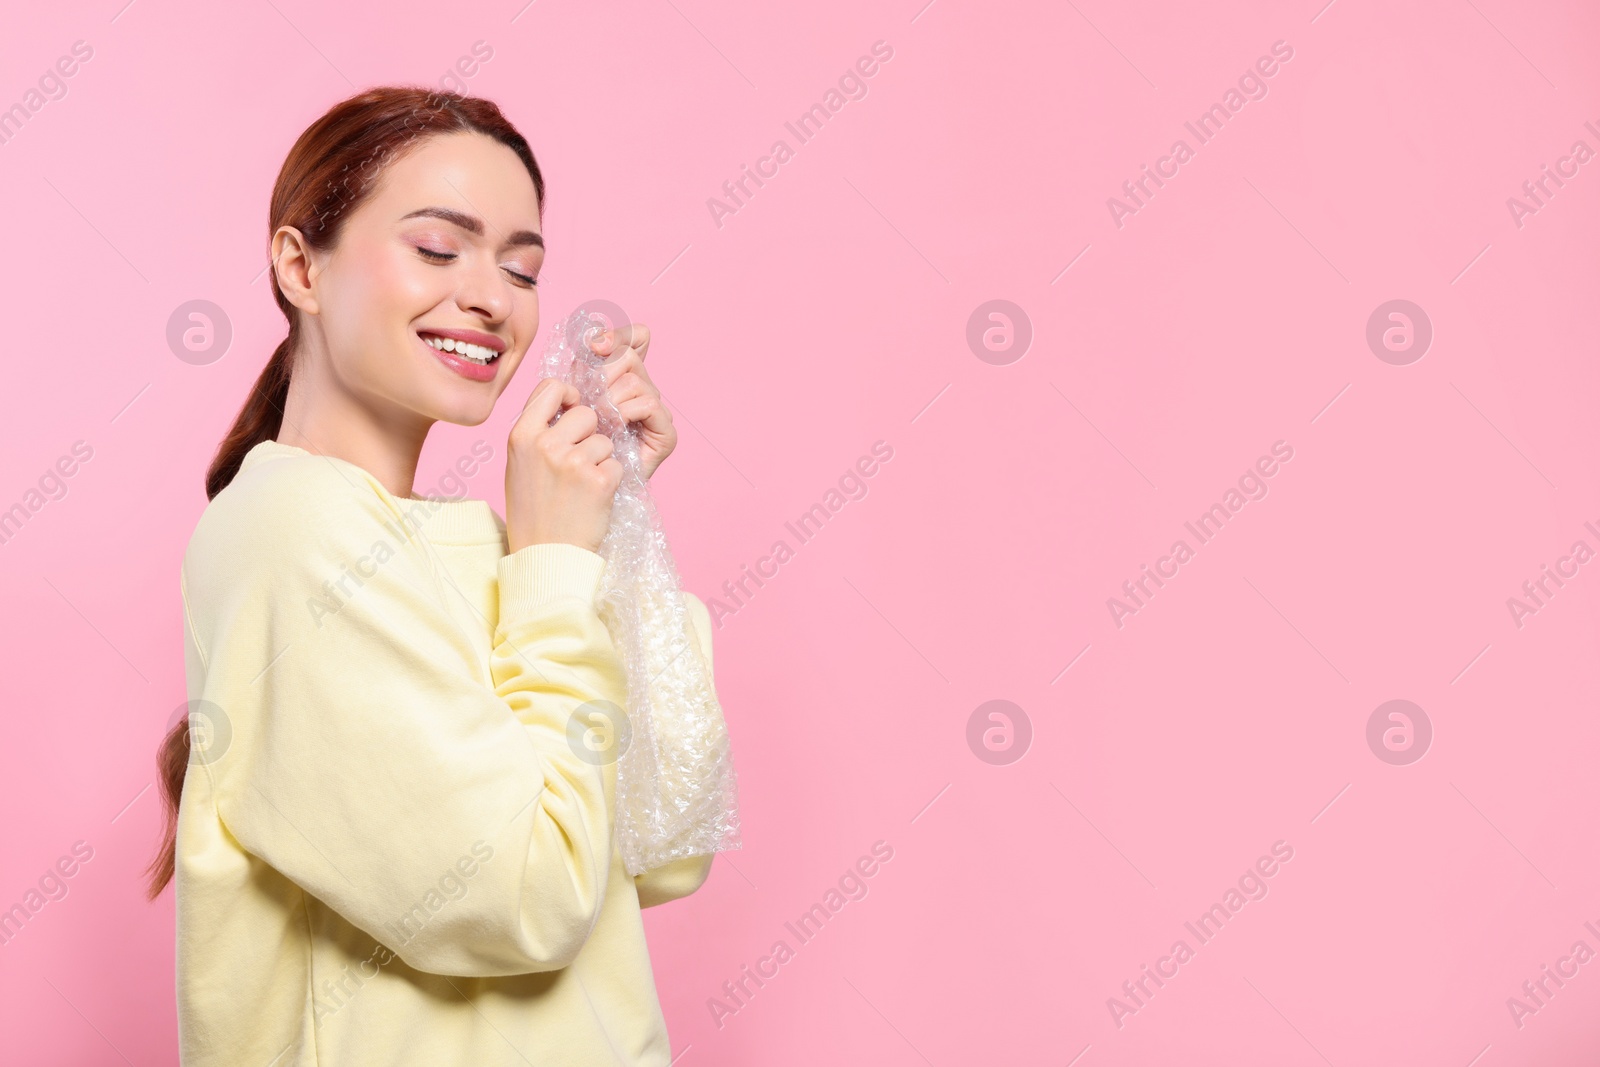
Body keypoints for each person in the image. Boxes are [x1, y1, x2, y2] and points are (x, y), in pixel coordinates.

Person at [144, 86, 722, 1066]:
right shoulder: (293, 525)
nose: (492, 296)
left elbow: (670, 843)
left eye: (522, 265)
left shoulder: (490, 541)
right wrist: (550, 563)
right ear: (300, 267)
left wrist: (614, 523)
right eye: (436, 248)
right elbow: (524, 899)